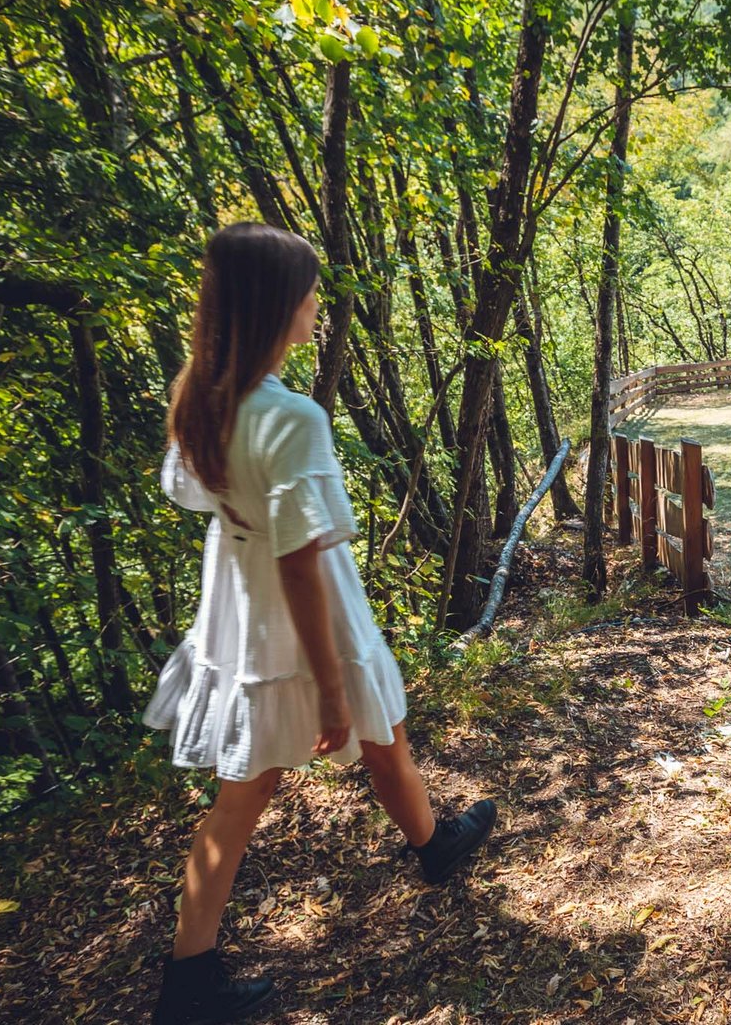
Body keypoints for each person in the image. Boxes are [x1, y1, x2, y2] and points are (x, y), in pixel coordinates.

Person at [143, 223, 495, 1024]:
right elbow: (301, 560)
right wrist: (330, 690)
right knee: (369, 731)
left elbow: (211, 506)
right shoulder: (290, 417)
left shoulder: (204, 397)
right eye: (308, 290)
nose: (316, 304)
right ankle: (432, 847)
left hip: (241, 607)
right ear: (278, 304)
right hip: (298, 607)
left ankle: (190, 973)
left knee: (248, 789)